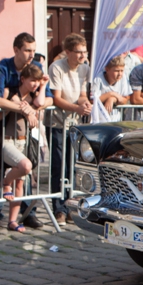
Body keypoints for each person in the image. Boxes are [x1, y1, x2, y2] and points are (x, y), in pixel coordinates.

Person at [0, 32, 50, 231]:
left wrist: (32, 107)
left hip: (24, 131)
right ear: (16, 50)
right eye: (27, 50)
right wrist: (24, 107)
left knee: (25, 176)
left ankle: (26, 214)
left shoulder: (37, 67)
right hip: (1, 129)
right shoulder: (2, 67)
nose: (32, 54)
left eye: (33, 49)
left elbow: (48, 99)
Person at [48, 33, 92, 225]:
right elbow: (57, 98)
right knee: (59, 166)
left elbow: (82, 94)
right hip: (58, 122)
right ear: (68, 52)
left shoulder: (85, 69)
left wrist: (86, 103)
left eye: (85, 51)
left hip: (75, 124)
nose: (83, 56)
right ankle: (59, 208)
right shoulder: (57, 67)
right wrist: (77, 107)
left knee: (73, 166)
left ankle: (71, 206)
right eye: (79, 52)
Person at [93, 56, 132, 121]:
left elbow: (125, 99)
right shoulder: (98, 79)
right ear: (107, 69)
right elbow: (93, 100)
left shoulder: (123, 78)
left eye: (122, 71)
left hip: (116, 119)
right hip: (99, 119)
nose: (120, 74)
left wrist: (112, 99)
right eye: (116, 71)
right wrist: (111, 94)